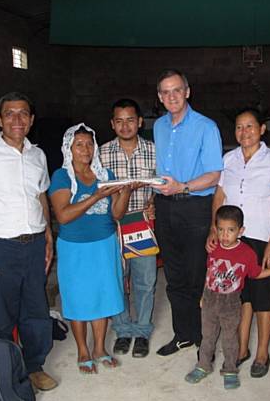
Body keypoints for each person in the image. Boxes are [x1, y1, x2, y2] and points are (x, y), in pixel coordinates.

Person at [0, 91, 57, 391]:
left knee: (36, 309)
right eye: (9, 114)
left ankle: (34, 366)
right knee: (2, 314)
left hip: (33, 245)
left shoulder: (37, 155)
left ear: (31, 120)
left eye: (23, 114)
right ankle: (4, 371)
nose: (17, 119)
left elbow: (40, 195)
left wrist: (47, 236)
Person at [206, 107, 270, 378]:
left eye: (250, 126)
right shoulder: (228, 159)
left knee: (264, 297)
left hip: (264, 236)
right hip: (234, 240)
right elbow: (219, 197)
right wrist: (213, 230)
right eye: (239, 127)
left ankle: (262, 353)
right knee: (240, 297)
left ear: (261, 129)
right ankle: (241, 349)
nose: (244, 132)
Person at [49, 123, 134, 374]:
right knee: (78, 299)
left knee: (102, 296)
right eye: (79, 145)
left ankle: (99, 348)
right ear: (69, 149)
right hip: (75, 248)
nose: (85, 149)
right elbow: (63, 216)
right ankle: (83, 350)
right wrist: (96, 196)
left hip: (104, 245)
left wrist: (125, 190)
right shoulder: (62, 176)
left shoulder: (104, 174)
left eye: (89, 144)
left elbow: (117, 214)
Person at [151, 69, 223, 356]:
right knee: (174, 274)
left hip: (194, 207)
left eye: (177, 90)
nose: (172, 96)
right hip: (165, 207)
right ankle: (183, 334)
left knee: (196, 276)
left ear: (187, 91)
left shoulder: (206, 127)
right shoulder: (158, 126)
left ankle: (205, 339)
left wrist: (183, 186)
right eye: (166, 92)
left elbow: (214, 175)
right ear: (160, 97)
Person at [186, 206, 270, 390]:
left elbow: (255, 274)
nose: (225, 235)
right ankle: (203, 365)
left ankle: (230, 369)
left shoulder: (246, 253)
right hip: (210, 297)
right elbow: (209, 272)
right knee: (207, 336)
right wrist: (203, 295)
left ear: (241, 231)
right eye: (220, 229)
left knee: (230, 338)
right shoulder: (213, 248)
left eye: (230, 230)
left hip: (231, 301)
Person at [99, 98, 157, 358]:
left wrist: (155, 202)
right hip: (113, 225)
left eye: (130, 120)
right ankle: (122, 330)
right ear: (112, 124)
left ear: (140, 122)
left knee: (145, 281)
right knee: (117, 279)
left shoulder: (154, 150)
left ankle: (142, 330)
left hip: (142, 223)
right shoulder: (101, 153)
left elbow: (161, 183)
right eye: (119, 121)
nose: (125, 126)